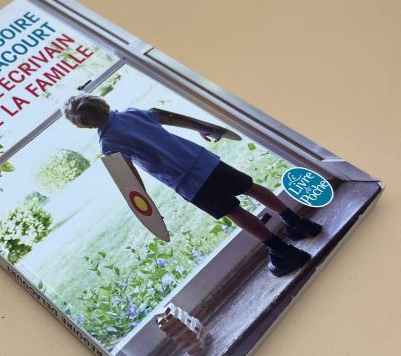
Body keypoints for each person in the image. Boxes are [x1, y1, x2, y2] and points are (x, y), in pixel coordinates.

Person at [62, 95, 322, 277]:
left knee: (233, 211)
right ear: (102, 103)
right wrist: (204, 128)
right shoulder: (133, 113)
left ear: (82, 125)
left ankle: (282, 251)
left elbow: (130, 179)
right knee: (250, 187)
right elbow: (171, 117)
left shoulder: (108, 144)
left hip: (186, 180)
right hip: (202, 160)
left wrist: (146, 203)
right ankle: (296, 222)